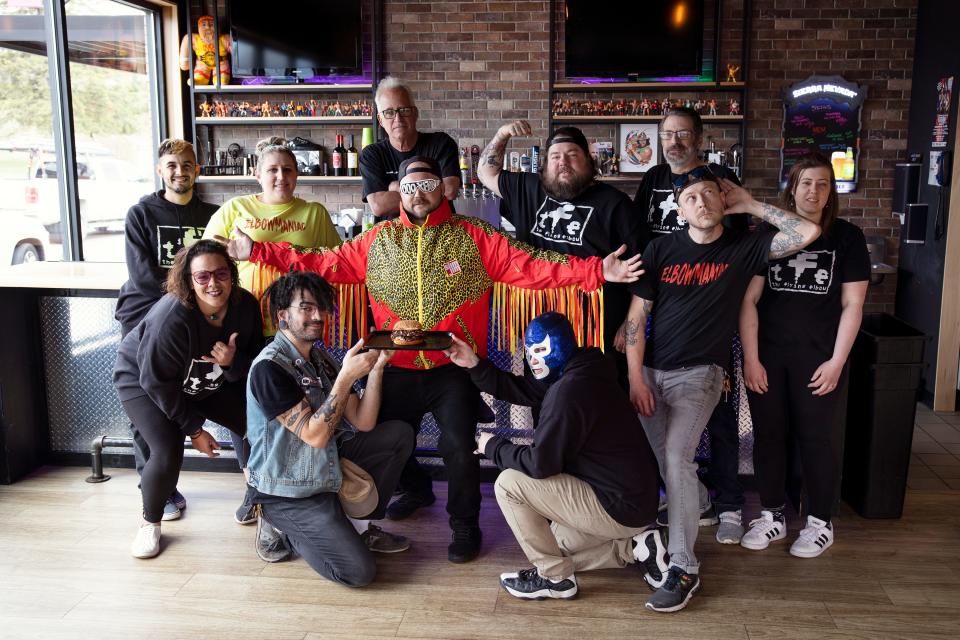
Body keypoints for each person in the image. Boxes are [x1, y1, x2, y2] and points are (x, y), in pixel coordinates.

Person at [222, 155, 643, 564]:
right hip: (396, 369)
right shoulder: (378, 239)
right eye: (410, 187)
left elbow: (533, 265)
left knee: (459, 447)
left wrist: (595, 272)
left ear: (442, 188)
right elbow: (320, 263)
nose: (419, 193)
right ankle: (415, 489)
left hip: (452, 369)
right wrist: (258, 252)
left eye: (427, 185)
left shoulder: (474, 235)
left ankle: (464, 524)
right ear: (398, 193)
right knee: (388, 439)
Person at [623, 167, 820, 612]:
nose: (702, 203)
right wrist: (636, 378)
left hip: (701, 374)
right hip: (651, 372)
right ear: (680, 209)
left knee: (676, 460)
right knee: (668, 464)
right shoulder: (660, 249)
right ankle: (704, 500)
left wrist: (750, 204)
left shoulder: (744, 247)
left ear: (721, 199)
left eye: (709, 194)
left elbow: (807, 230)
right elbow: (636, 318)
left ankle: (683, 568)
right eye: (691, 197)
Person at [444, 312, 666, 600]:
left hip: (620, 504)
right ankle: (637, 548)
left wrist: (493, 447)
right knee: (554, 544)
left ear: (560, 345)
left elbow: (541, 465)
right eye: (529, 352)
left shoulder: (570, 390)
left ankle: (555, 579)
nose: (533, 359)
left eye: (540, 351)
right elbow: (525, 389)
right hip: (631, 498)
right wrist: (474, 364)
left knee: (508, 484)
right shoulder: (585, 367)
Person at [739, 154, 870, 558]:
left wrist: (837, 361)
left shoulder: (847, 237)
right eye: (806, 183)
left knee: (816, 440)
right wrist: (751, 358)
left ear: (831, 193)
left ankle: (819, 522)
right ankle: (773, 515)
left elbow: (853, 305)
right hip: (769, 357)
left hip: (819, 358)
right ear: (792, 188)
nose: (814, 191)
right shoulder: (767, 234)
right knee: (769, 438)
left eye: (823, 184)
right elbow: (750, 300)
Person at [244, 271, 413, 583]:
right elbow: (314, 436)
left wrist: (376, 368)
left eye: (322, 308)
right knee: (359, 573)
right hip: (289, 489)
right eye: (306, 308)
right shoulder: (269, 368)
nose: (318, 316)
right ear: (283, 316)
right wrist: (347, 377)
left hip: (325, 470)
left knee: (398, 435)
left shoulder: (321, 359)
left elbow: (363, 420)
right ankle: (278, 521)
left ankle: (361, 526)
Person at [634, 106, 750, 544]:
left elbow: (738, 240)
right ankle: (691, 497)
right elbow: (643, 239)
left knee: (722, 416)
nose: (674, 141)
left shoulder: (719, 178)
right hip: (667, 308)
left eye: (683, 133)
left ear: (699, 137)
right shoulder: (652, 180)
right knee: (663, 427)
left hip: (714, 311)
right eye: (667, 134)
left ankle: (731, 504)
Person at [113, 240, 264, 559]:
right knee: (167, 450)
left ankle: (260, 495)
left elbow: (254, 367)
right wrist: (194, 430)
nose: (213, 283)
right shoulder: (172, 316)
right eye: (202, 277)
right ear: (188, 280)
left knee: (258, 424)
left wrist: (232, 363)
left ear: (232, 274)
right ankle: (149, 524)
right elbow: (155, 380)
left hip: (205, 381)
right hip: (145, 382)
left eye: (221, 273)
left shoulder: (245, 307)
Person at [477, 121, 649, 387]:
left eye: (573, 155)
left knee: (598, 400)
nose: (563, 162)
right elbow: (486, 172)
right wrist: (502, 135)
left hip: (596, 329)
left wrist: (629, 321)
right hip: (540, 328)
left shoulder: (617, 205)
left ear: (589, 161)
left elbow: (642, 269)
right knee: (543, 401)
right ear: (545, 164)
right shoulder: (527, 188)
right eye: (556, 156)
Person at [113, 138, 218, 521]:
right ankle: (158, 489)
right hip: (143, 318)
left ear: (198, 169)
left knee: (184, 394)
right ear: (161, 170)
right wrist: (183, 306)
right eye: (172, 165)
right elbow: (142, 276)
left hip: (193, 322)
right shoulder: (140, 214)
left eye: (187, 164)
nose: (180, 171)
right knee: (148, 403)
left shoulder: (213, 214)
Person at [203, 136, 341, 336]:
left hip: (297, 324)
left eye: (287, 170)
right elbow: (203, 261)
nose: (281, 176)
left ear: (297, 175)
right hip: (244, 316)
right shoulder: (235, 208)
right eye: (272, 170)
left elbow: (336, 264)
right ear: (257, 175)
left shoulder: (314, 213)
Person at [360, 77, 460, 218]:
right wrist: (429, 191)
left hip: (441, 234)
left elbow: (449, 190)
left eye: (404, 110)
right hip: (393, 237)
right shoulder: (372, 155)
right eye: (389, 112)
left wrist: (395, 187)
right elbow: (378, 206)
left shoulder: (441, 143)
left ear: (415, 113)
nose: (398, 118)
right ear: (380, 120)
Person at [179, 15, 231, 85]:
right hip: (202, 64)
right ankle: (198, 80)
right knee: (199, 77)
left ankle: (221, 82)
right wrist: (185, 61)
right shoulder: (196, 39)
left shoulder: (224, 39)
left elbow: (236, 52)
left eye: (212, 24)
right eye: (204, 25)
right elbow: (187, 40)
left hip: (221, 63)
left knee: (222, 80)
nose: (208, 27)